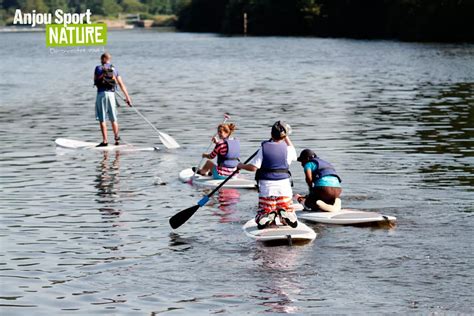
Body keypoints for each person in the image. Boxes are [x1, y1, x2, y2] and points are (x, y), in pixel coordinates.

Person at [238, 121, 298, 229]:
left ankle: (266, 216)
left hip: (267, 187)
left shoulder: (263, 149)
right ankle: (286, 214)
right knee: (286, 206)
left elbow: (253, 168)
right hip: (284, 186)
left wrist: (241, 165)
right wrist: (286, 136)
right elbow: (293, 150)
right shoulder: (288, 149)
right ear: (284, 136)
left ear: (271, 134)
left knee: (264, 209)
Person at [94, 52, 132, 147]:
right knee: (113, 118)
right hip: (111, 95)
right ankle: (116, 139)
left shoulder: (98, 68)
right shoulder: (114, 69)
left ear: (102, 59)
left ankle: (105, 141)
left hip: (101, 94)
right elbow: (121, 84)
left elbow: (95, 81)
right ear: (109, 59)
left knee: (102, 119)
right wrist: (128, 98)